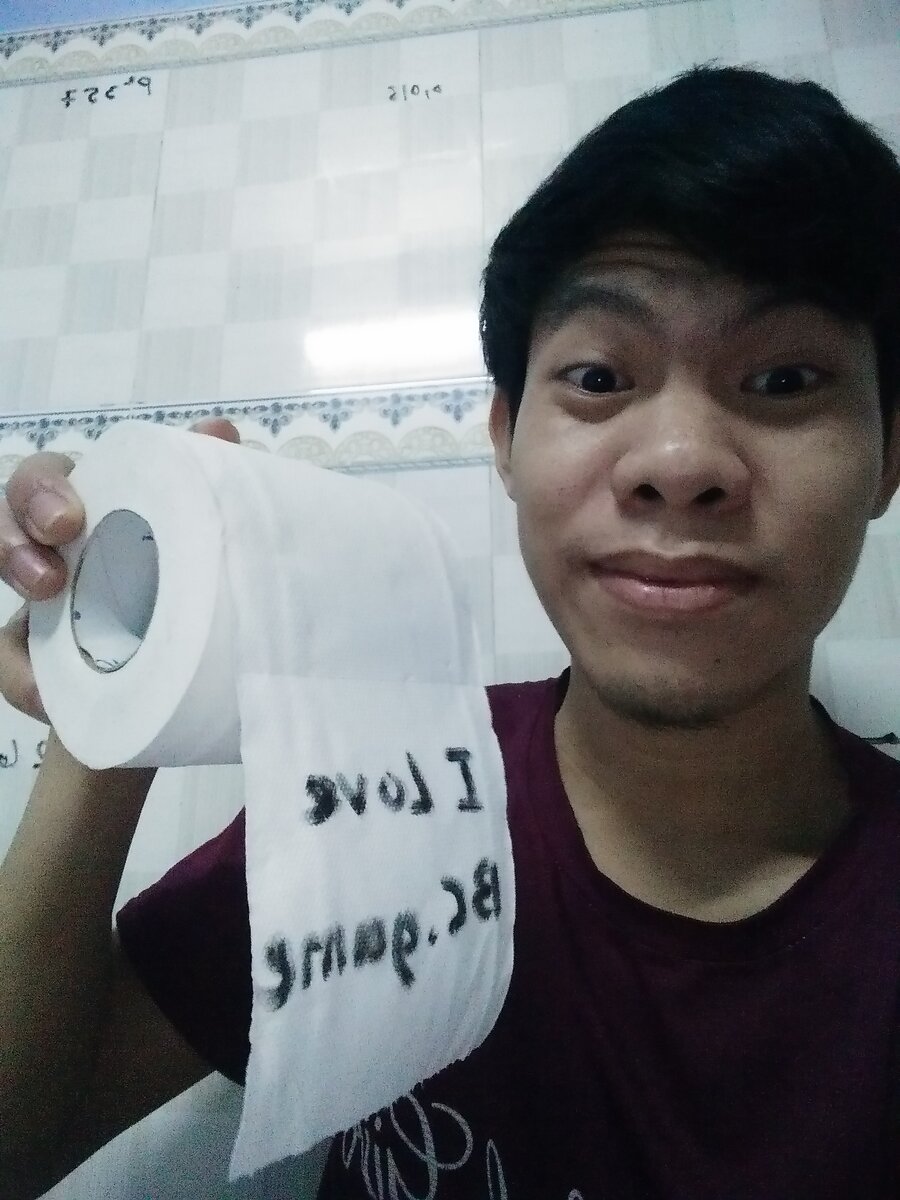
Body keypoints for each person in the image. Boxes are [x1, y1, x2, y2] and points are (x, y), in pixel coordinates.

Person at [2, 61, 900, 1199]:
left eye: (782, 379)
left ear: (888, 457)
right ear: (506, 438)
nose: (680, 464)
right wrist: (106, 691)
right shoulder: (385, 789)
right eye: (598, 376)